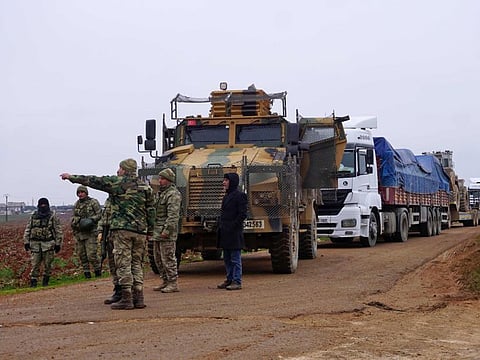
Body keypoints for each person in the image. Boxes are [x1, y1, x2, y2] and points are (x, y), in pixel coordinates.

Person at [60, 158, 155, 310]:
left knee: (123, 263)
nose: (118, 170)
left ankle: (126, 298)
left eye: (120, 168)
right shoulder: (146, 187)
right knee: (136, 263)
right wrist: (150, 229)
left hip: (122, 230)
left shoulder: (118, 183)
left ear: (125, 169)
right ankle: (139, 297)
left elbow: (94, 180)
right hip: (140, 232)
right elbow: (151, 210)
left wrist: (71, 177)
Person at [152, 168, 182, 293]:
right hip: (157, 231)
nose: (160, 181)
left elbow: (173, 216)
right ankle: (165, 281)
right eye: (160, 179)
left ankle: (173, 283)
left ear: (168, 180)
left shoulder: (173, 194)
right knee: (158, 258)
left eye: (163, 179)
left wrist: (167, 231)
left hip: (166, 233)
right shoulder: (161, 194)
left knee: (168, 258)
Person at [216, 173, 247, 290]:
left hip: (234, 232)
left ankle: (237, 281)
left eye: (226, 180)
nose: (224, 182)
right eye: (224, 180)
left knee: (235, 258)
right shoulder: (226, 196)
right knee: (227, 258)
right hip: (225, 232)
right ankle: (229, 279)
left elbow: (242, 214)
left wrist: (233, 226)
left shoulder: (240, 196)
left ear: (232, 182)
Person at [23, 198, 63, 287]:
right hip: (35, 245)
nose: (43, 206)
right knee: (34, 265)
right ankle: (33, 282)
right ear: (38, 205)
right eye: (41, 204)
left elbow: (58, 230)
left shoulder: (52, 216)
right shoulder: (33, 215)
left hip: (48, 244)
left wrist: (58, 244)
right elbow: (28, 229)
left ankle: (45, 282)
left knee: (48, 265)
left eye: (45, 204)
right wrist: (26, 241)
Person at [72, 185, 102, 279]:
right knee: (82, 255)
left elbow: (100, 214)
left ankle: (97, 271)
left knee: (91, 254)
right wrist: (76, 222)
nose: (80, 194)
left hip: (91, 232)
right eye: (78, 193)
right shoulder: (77, 204)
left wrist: (91, 220)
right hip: (80, 233)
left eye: (82, 192)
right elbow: (74, 216)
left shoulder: (93, 202)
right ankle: (87, 274)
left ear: (86, 193)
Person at [97, 197, 121, 304]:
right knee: (113, 265)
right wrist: (100, 231)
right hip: (109, 235)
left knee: (122, 264)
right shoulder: (108, 200)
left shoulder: (124, 198)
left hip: (120, 236)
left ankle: (126, 291)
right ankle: (118, 290)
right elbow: (103, 218)